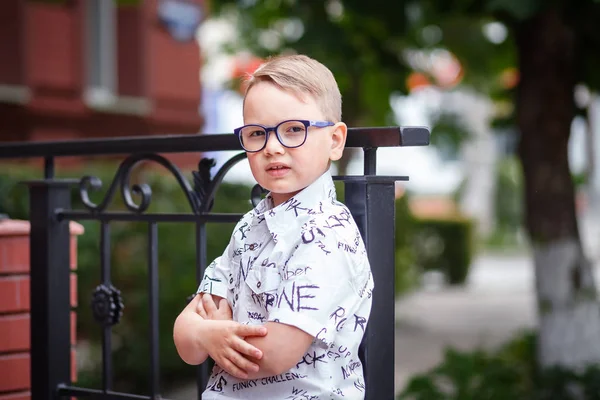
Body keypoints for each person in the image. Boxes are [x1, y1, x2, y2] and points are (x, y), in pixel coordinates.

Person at [173, 54, 374, 399]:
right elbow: (187, 342)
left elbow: (274, 354)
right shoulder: (249, 227)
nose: (272, 147)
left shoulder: (328, 234)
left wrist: (214, 331)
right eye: (256, 133)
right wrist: (206, 336)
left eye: (294, 129)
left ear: (336, 141)